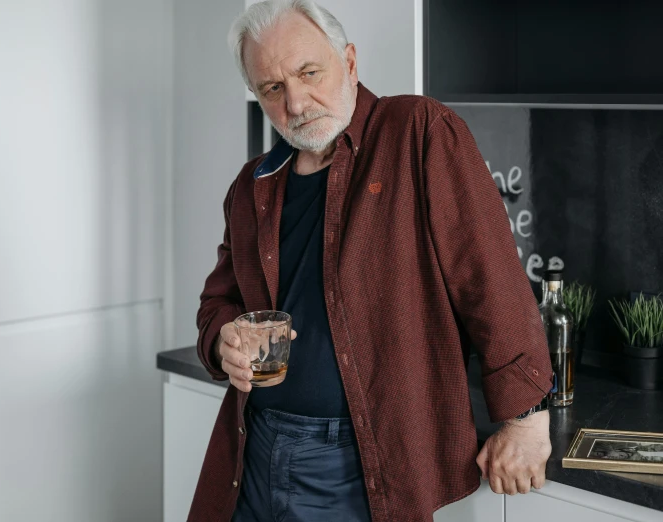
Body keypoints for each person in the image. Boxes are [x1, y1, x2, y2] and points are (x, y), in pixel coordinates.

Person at [190, 1, 554, 521]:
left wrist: (526, 418)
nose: (295, 102)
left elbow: (489, 279)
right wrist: (221, 338)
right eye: (272, 88)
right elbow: (218, 300)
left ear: (351, 61)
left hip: (359, 464)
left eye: (308, 72)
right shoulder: (253, 184)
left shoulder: (418, 130)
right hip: (252, 450)